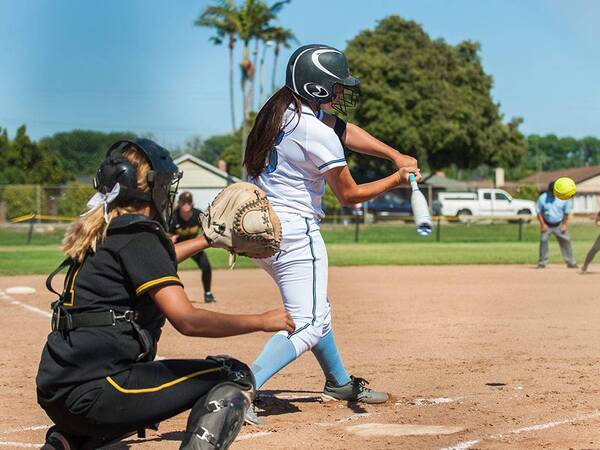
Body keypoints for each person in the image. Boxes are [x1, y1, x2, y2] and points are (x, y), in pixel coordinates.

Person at [36, 138, 294, 450]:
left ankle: (70, 440)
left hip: (60, 391)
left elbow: (157, 258)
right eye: (164, 183)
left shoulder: (107, 229)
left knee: (131, 391)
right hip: (100, 391)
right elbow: (187, 321)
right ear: (148, 187)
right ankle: (82, 433)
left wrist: (207, 240)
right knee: (234, 374)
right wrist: (262, 320)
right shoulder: (139, 235)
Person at [242, 44, 420, 424]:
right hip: (294, 233)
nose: (340, 93)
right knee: (309, 323)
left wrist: (393, 154)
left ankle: (338, 382)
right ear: (316, 88)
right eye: (335, 86)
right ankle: (241, 387)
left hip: (261, 232)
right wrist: (396, 178)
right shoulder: (312, 131)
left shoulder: (279, 112)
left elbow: (345, 130)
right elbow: (350, 195)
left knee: (314, 309)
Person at [170, 191, 216, 303]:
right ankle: (172, 298)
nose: (186, 204)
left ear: (192, 203)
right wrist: (170, 238)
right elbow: (165, 233)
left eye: (188, 202)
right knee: (169, 270)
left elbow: (208, 228)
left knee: (206, 266)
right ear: (179, 203)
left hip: (193, 246)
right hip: (178, 247)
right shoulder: (173, 217)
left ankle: (208, 294)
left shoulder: (197, 215)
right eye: (183, 202)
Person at [536, 180, 578, 269]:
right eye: (552, 192)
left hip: (559, 224)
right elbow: (539, 212)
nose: (553, 194)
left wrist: (564, 224)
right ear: (549, 191)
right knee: (543, 241)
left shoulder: (563, 198)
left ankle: (571, 262)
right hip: (547, 224)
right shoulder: (543, 198)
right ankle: (542, 263)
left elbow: (566, 212)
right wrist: (543, 224)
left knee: (566, 240)